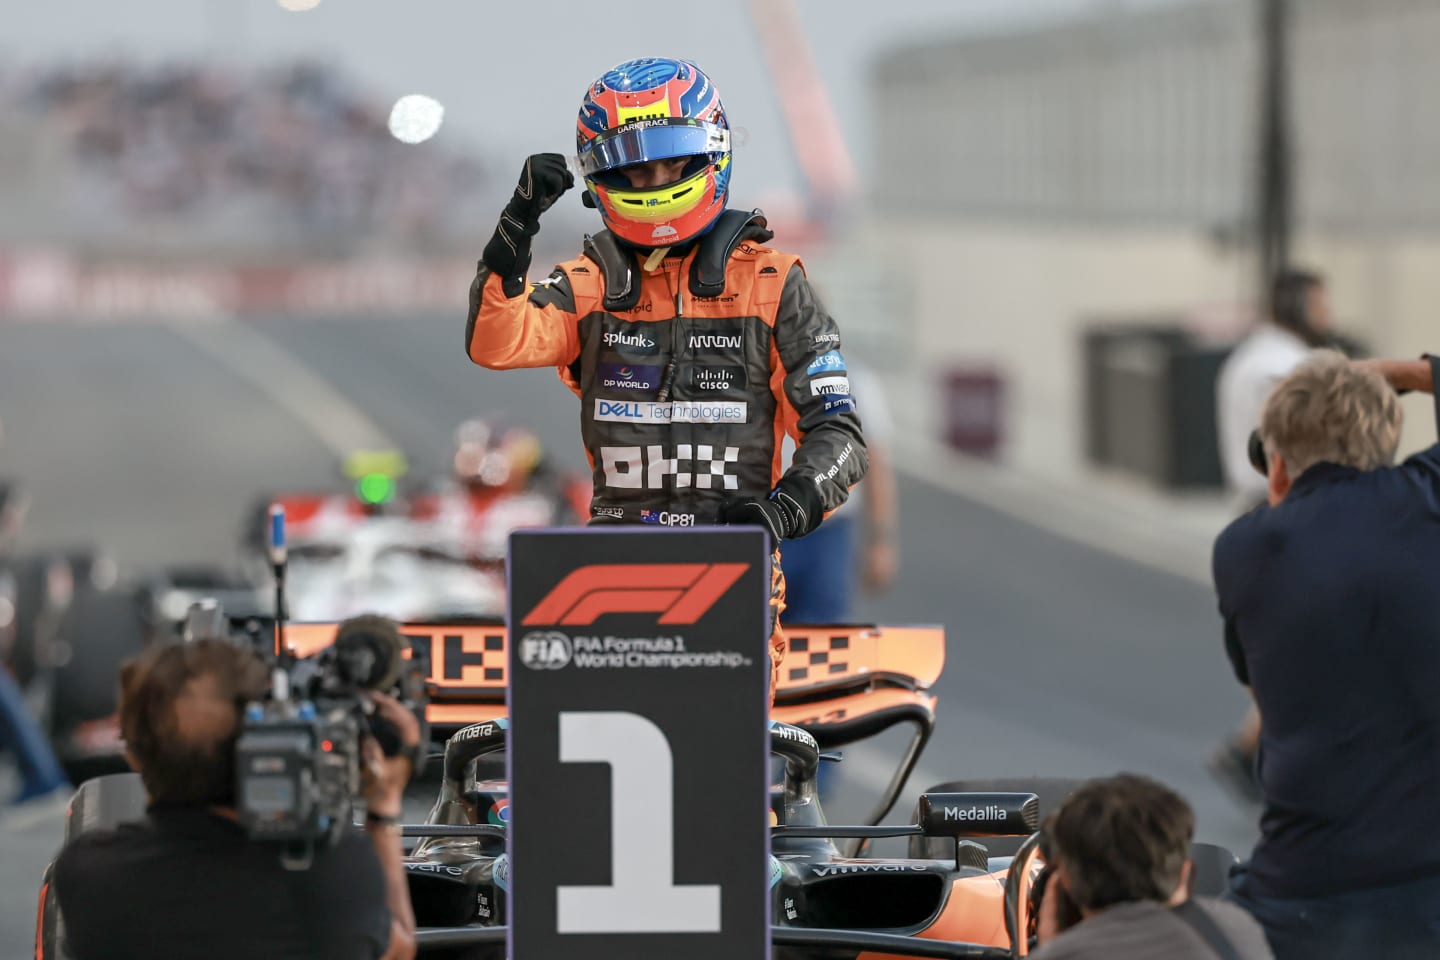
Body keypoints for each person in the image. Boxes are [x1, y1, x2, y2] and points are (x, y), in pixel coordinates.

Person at [465, 57, 868, 692]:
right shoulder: (590, 283)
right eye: (635, 166)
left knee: (746, 784)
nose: (654, 179)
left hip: (738, 580)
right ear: (603, 174)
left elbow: (839, 434)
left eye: (671, 162)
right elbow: (496, 342)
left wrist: (783, 511)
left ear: (709, 152)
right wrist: (516, 227)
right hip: (603, 582)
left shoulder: (775, 282)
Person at [1213, 352, 1440, 960]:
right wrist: (1407, 371)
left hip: (1302, 895)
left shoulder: (1243, 550)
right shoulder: (1426, 499)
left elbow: (1257, 687)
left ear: (1276, 464)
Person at [53, 638, 418, 960]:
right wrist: (384, 806)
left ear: (133, 753)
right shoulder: (336, 870)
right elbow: (398, 948)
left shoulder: (88, 873)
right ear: (266, 747)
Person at [1208, 268, 1334, 806]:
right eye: (1322, 303)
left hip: (1254, 507)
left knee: (1284, 643)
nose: (1329, 313)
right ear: (1301, 306)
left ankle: (1252, 747)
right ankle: (1262, 751)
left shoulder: (1249, 356)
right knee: (1305, 645)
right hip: (1283, 505)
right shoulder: (1288, 366)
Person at [1031, 773, 1272, 959]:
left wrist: (1052, 947)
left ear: (1067, 883)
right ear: (1185, 874)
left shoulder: (1066, 955)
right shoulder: (1238, 928)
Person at [778, 360, 898, 624]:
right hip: (766, 532)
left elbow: (874, 462)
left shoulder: (853, 380)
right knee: (756, 634)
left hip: (827, 535)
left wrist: (880, 541)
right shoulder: (756, 374)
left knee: (823, 633)